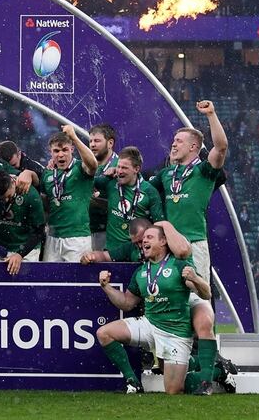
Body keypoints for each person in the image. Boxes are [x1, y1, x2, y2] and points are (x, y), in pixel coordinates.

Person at [148, 100, 228, 392]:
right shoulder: (167, 175)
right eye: (173, 140)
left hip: (194, 245)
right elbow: (144, 190)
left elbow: (221, 147)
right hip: (167, 248)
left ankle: (207, 370)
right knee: (172, 301)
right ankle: (172, 360)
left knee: (200, 302)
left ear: (194, 147)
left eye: (179, 141)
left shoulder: (204, 171)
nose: (173, 144)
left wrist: (211, 115)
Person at [95, 224, 211, 394]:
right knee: (104, 333)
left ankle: (217, 370)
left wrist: (196, 278)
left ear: (163, 241)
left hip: (175, 332)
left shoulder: (178, 265)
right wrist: (106, 287)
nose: (144, 241)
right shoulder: (141, 271)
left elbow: (206, 294)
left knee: (173, 390)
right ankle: (132, 381)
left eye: (149, 237)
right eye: (143, 239)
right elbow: (127, 303)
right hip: (149, 325)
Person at [21, 125, 97, 262]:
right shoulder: (48, 174)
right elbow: (44, 200)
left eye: (65, 150)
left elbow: (93, 164)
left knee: (75, 281)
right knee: (50, 281)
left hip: (77, 238)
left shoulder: (81, 168)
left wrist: (74, 137)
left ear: (72, 150)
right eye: (56, 151)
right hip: (53, 237)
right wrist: (28, 173)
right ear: (50, 152)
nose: (60, 154)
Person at [94, 147, 164, 260]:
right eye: (118, 166)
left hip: (136, 255)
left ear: (136, 169)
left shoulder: (149, 191)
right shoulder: (110, 183)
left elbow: (159, 224)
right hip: (111, 253)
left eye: (124, 168)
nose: (120, 171)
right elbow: (86, 180)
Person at [0, 170, 45, 275]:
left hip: (27, 251)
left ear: (12, 183)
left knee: (25, 289)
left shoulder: (30, 194)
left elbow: (39, 231)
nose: (6, 201)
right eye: (1, 199)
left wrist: (20, 254)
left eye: (8, 196)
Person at [88, 124, 119, 251]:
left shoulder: (121, 166)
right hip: (86, 230)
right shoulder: (87, 165)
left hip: (110, 232)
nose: (92, 145)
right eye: (90, 141)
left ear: (110, 143)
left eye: (97, 141)